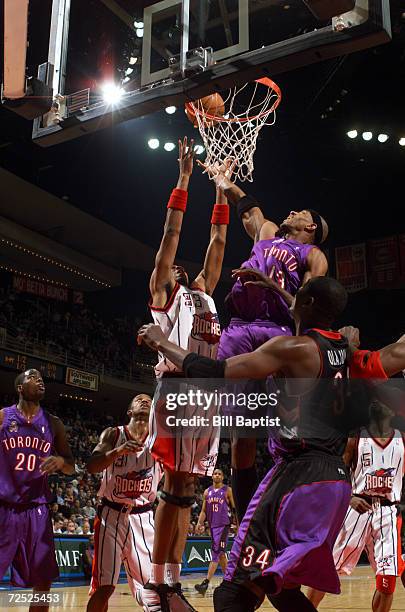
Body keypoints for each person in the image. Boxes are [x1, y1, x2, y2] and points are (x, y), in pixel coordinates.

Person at [139, 276, 353, 611]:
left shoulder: (292, 350)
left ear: (308, 304)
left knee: (233, 593)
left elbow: (214, 368)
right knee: (280, 590)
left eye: (296, 295)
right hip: (336, 480)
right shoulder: (346, 349)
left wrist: (160, 342)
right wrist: (271, 283)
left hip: (300, 474)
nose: (290, 298)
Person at [197, 160, 329, 521]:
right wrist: (224, 182)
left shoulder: (312, 256)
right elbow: (248, 207)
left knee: (283, 437)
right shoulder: (268, 232)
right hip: (240, 328)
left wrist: (269, 283)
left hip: (279, 332)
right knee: (241, 437)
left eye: (300, 212)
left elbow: (307, 310)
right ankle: (248, 524)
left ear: (311, 227)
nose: (291, 211)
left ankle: (286, 513)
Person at [140, 137, 229, 611]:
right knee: (173, 488)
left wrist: (220, 190)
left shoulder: (207, 293)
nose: (175, 263)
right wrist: (184, 178)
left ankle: (171, 581)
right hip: (176, 392)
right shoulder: (163, 293)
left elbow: (217, 241)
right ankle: (157, 585)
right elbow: (170, 236)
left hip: (207, 397)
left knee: (188, 491)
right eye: (170, 263)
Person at [307, 399, 405, 612]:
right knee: (328, 570)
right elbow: (338, 473)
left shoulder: (402, 439)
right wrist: (349, 497)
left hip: (388, 511)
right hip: (357, 508)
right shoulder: (356, 436)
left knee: (388, 578)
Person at [0, 369, 75, 612]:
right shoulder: (3, 417)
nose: (40, 379)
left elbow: (71, 466)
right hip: (4, 506)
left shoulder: (54, 423)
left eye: (42, 378)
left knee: (43, 581)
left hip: (37, 508)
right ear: (19, 387)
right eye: (32, 377)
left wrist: (62, 462)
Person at [86, 394, 163, 612]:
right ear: (129, 411)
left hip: (144, 517)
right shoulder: (113, 434)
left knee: (153, 587)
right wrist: (118, 451)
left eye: (149, 399)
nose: (144, 400)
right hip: (111, 516)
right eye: (139, 399)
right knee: (105, 587)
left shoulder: (160, 441)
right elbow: (92, 465)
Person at [194, 468, 237, 596]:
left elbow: (234, 508)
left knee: (216, 552)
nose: (217, 475)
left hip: (224, 525)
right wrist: (199, 523)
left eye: (219, 474)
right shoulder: (207, 492)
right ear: (212, 476)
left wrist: (238, 524)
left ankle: (205, 583)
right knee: (221, 555)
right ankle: (230, 581)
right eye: (215, 473)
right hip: (213, 527)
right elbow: (203, 511)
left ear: (222, 477)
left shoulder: (227, 490)